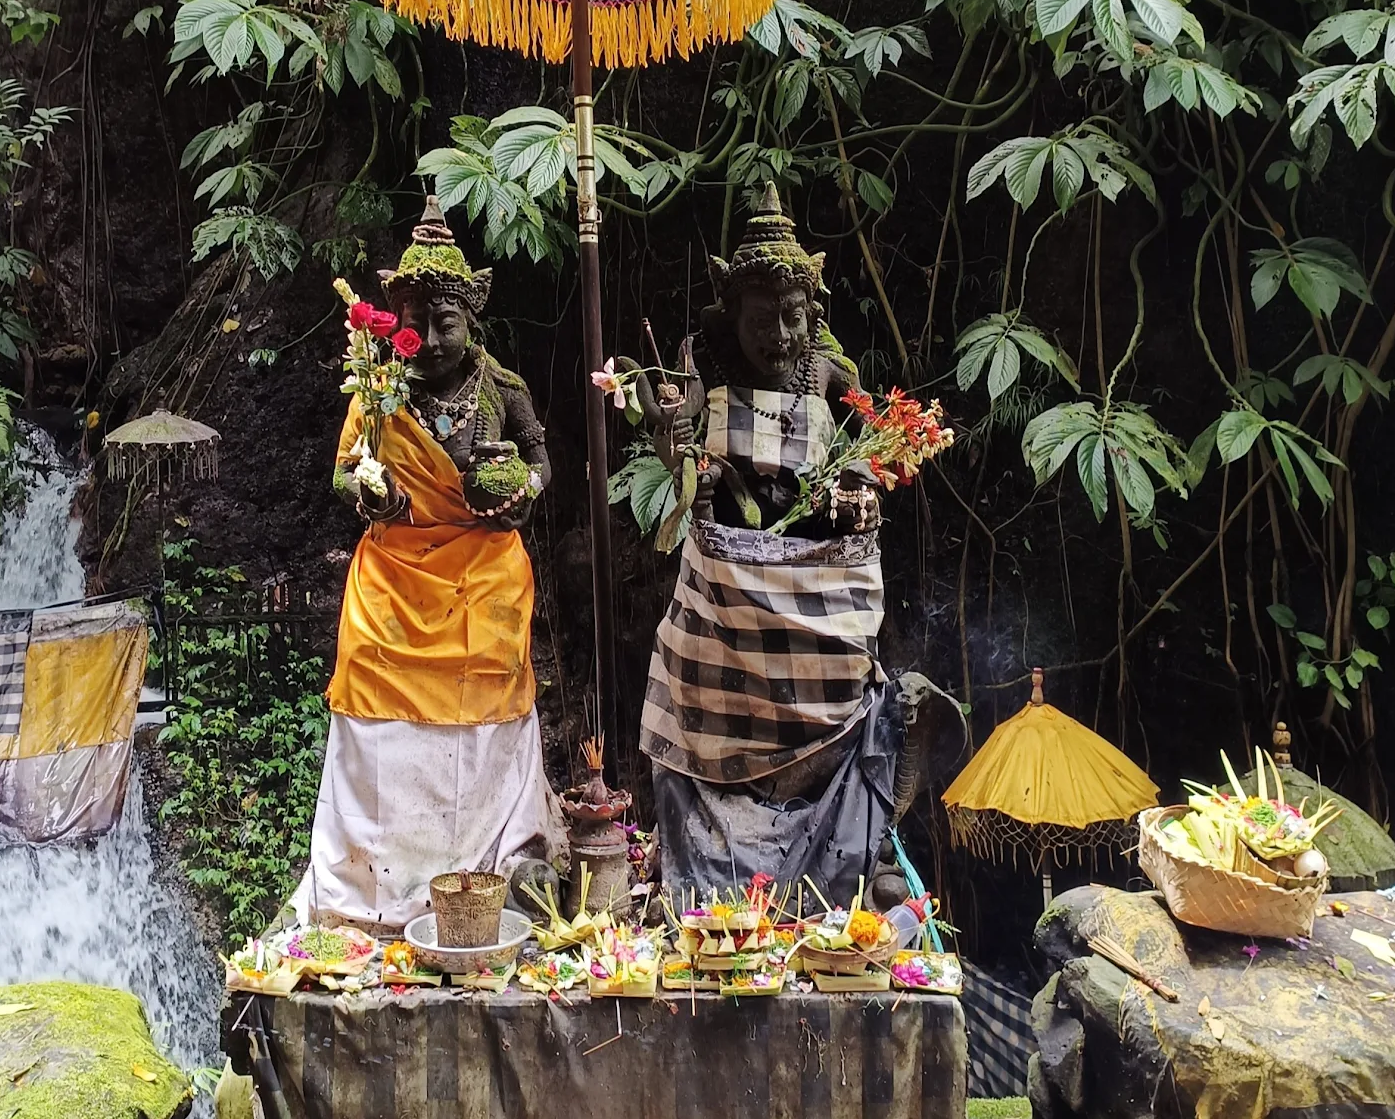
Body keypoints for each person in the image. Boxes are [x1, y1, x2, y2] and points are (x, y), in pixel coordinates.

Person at [628, 185, 944, 903]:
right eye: (761, 320)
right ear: (729, 310)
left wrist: (853, 495)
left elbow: (869, 450)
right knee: (690, 679)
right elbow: (676, 447)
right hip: (726, 591)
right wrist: (677, 448)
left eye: (793, 317)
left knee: (850, 682)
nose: (778, 337)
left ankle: (848, 858)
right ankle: (702, 866)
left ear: (813, 311)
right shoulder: (701, 364)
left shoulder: (829, 373)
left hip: (816, 580)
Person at [291, 199, 563, 932]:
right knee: (372, 681)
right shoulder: (377, 391)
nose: (433, 339)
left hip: (484, 571)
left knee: (491, 683)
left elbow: (541, 461)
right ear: (394, 319)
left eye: (448, 322)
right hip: (396, 570)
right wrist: (368, 494)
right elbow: (345, 473)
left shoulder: (502, 388)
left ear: (472, 319)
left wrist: (523, 495)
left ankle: (490, 869)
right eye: (418, 322)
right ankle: (378, 883)